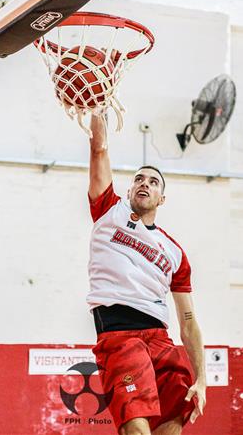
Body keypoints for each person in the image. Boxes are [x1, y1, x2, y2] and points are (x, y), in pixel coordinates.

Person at [86, 114, 206, 435]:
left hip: (160, 338)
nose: (145, 184)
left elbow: (189, 321)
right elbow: (99, 151)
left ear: (161, 199)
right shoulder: (109, 211)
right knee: (136, 430)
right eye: (139, 179)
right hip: (120, 336)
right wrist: (98, 109)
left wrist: (202, 378)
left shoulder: (175, 252)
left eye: (153, 182)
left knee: (174, 422)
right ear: (129, 191)